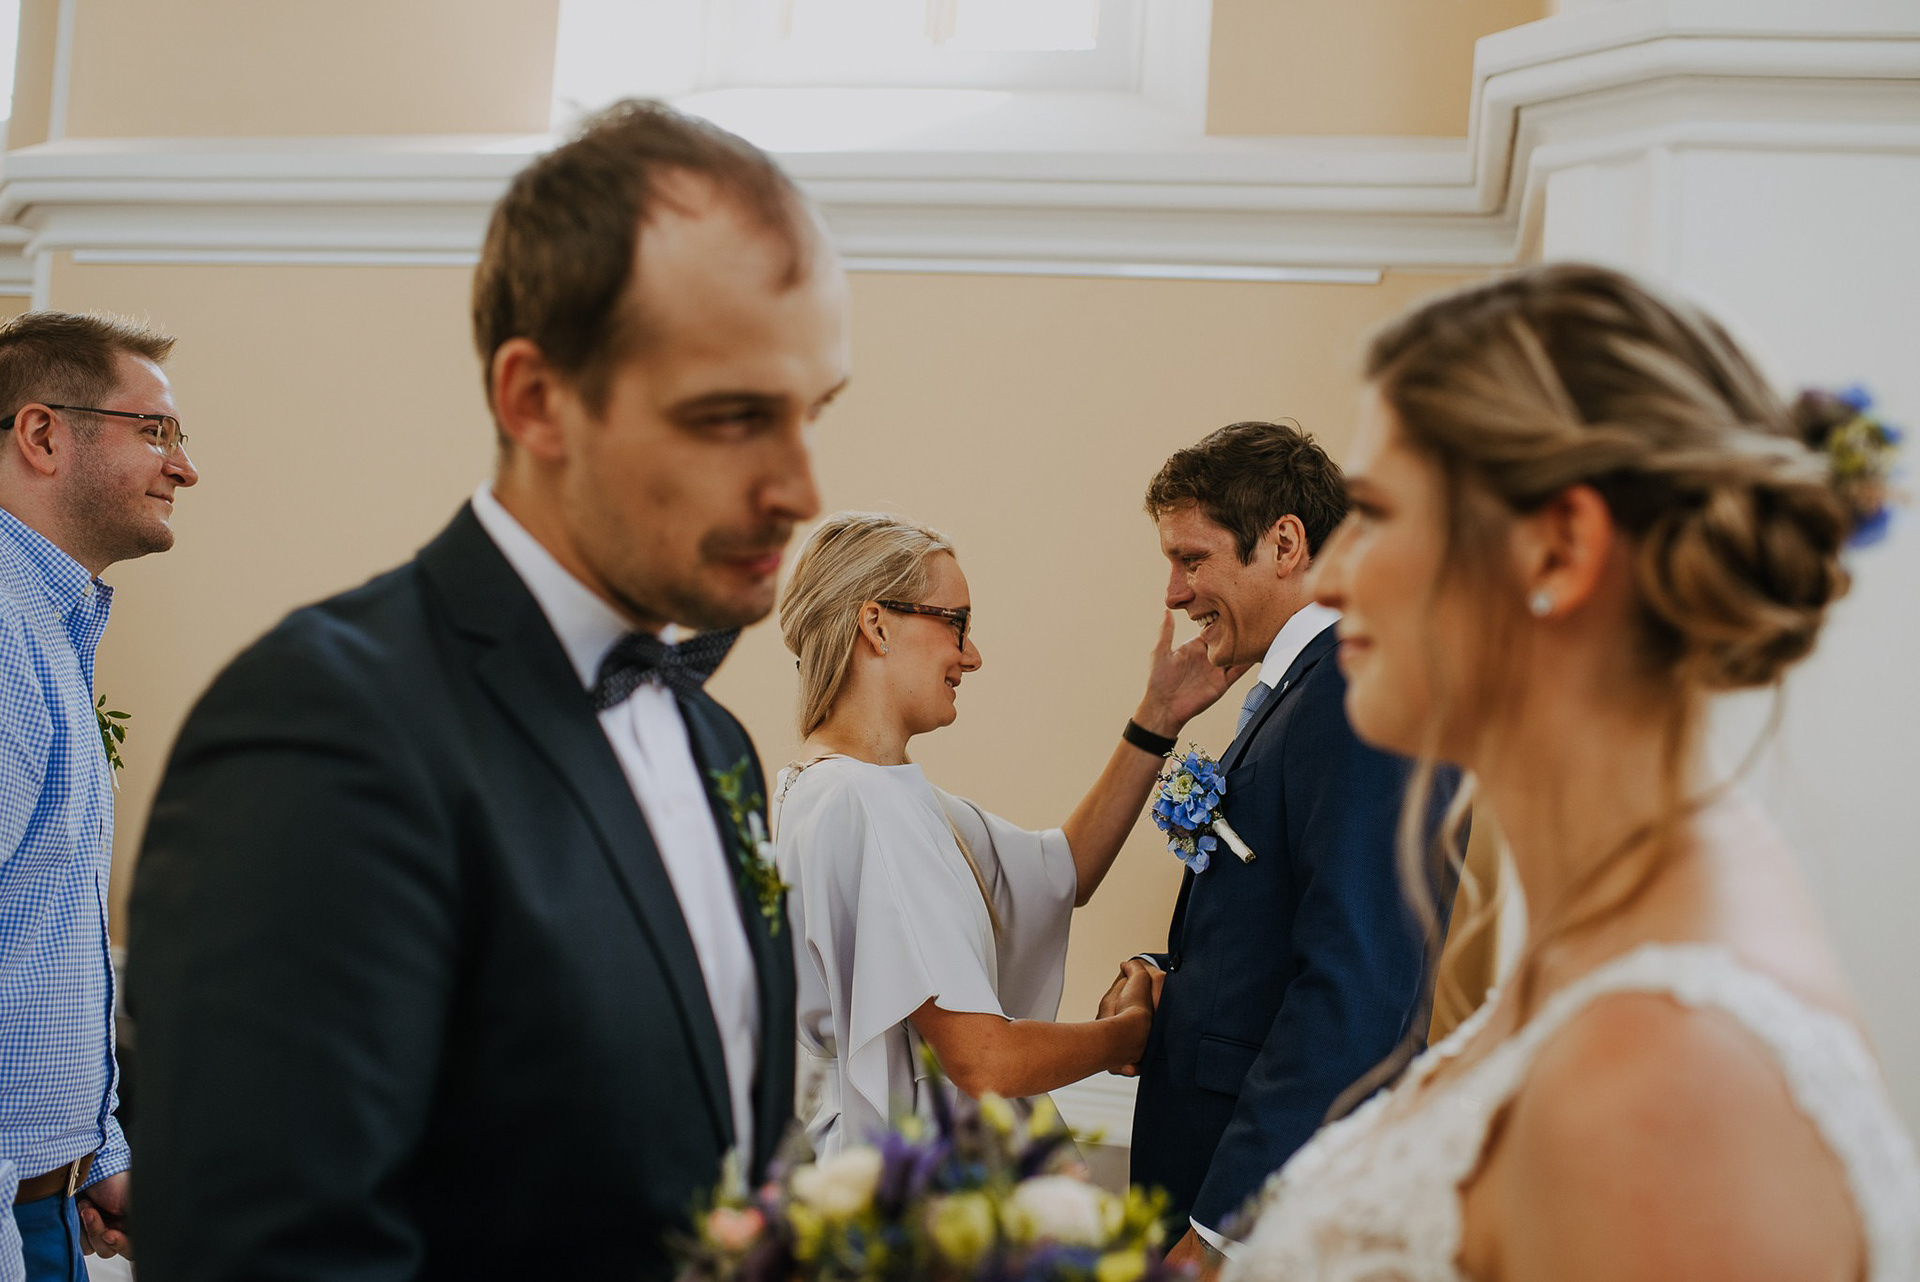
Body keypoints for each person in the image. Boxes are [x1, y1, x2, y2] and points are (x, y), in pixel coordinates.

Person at [126, 101, 848, 1281]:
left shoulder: (715, 740)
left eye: (813, 412)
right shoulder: (327, 725)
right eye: (733, 417)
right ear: (536, 399)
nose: (801, 488)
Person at [1228, 263, 1920, 1280]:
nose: (1329, 577)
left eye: (1375, 512)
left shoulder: (1670, 1085)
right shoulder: (1613, 918)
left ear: (1558, 551)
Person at [770, 511, 1237, 1155]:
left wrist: (1159, 716)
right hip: (920, 1187)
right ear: (876, 625)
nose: (972, 656)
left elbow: (1064, 870)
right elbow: (985, 1060)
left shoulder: (837, 791)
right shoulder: (863, 804)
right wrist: (1131, 1034)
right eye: (956, 623)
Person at [1114, 421, 1463, 1273]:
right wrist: (1172, 978)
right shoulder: (1303, 690)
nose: (1174, 592)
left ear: (1284, 543)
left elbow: (1358, 989)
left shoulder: (1357, 690)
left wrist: (1221, 1230)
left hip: (1267, 1213)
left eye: (1191, 559)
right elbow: (1278, 927)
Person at [0, 311, 197, 1278]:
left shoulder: (46, 625)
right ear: (42, 435)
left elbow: (40, 933)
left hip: (46, 1200)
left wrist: (93, 1155)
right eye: (154, 431)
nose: (185, 468)